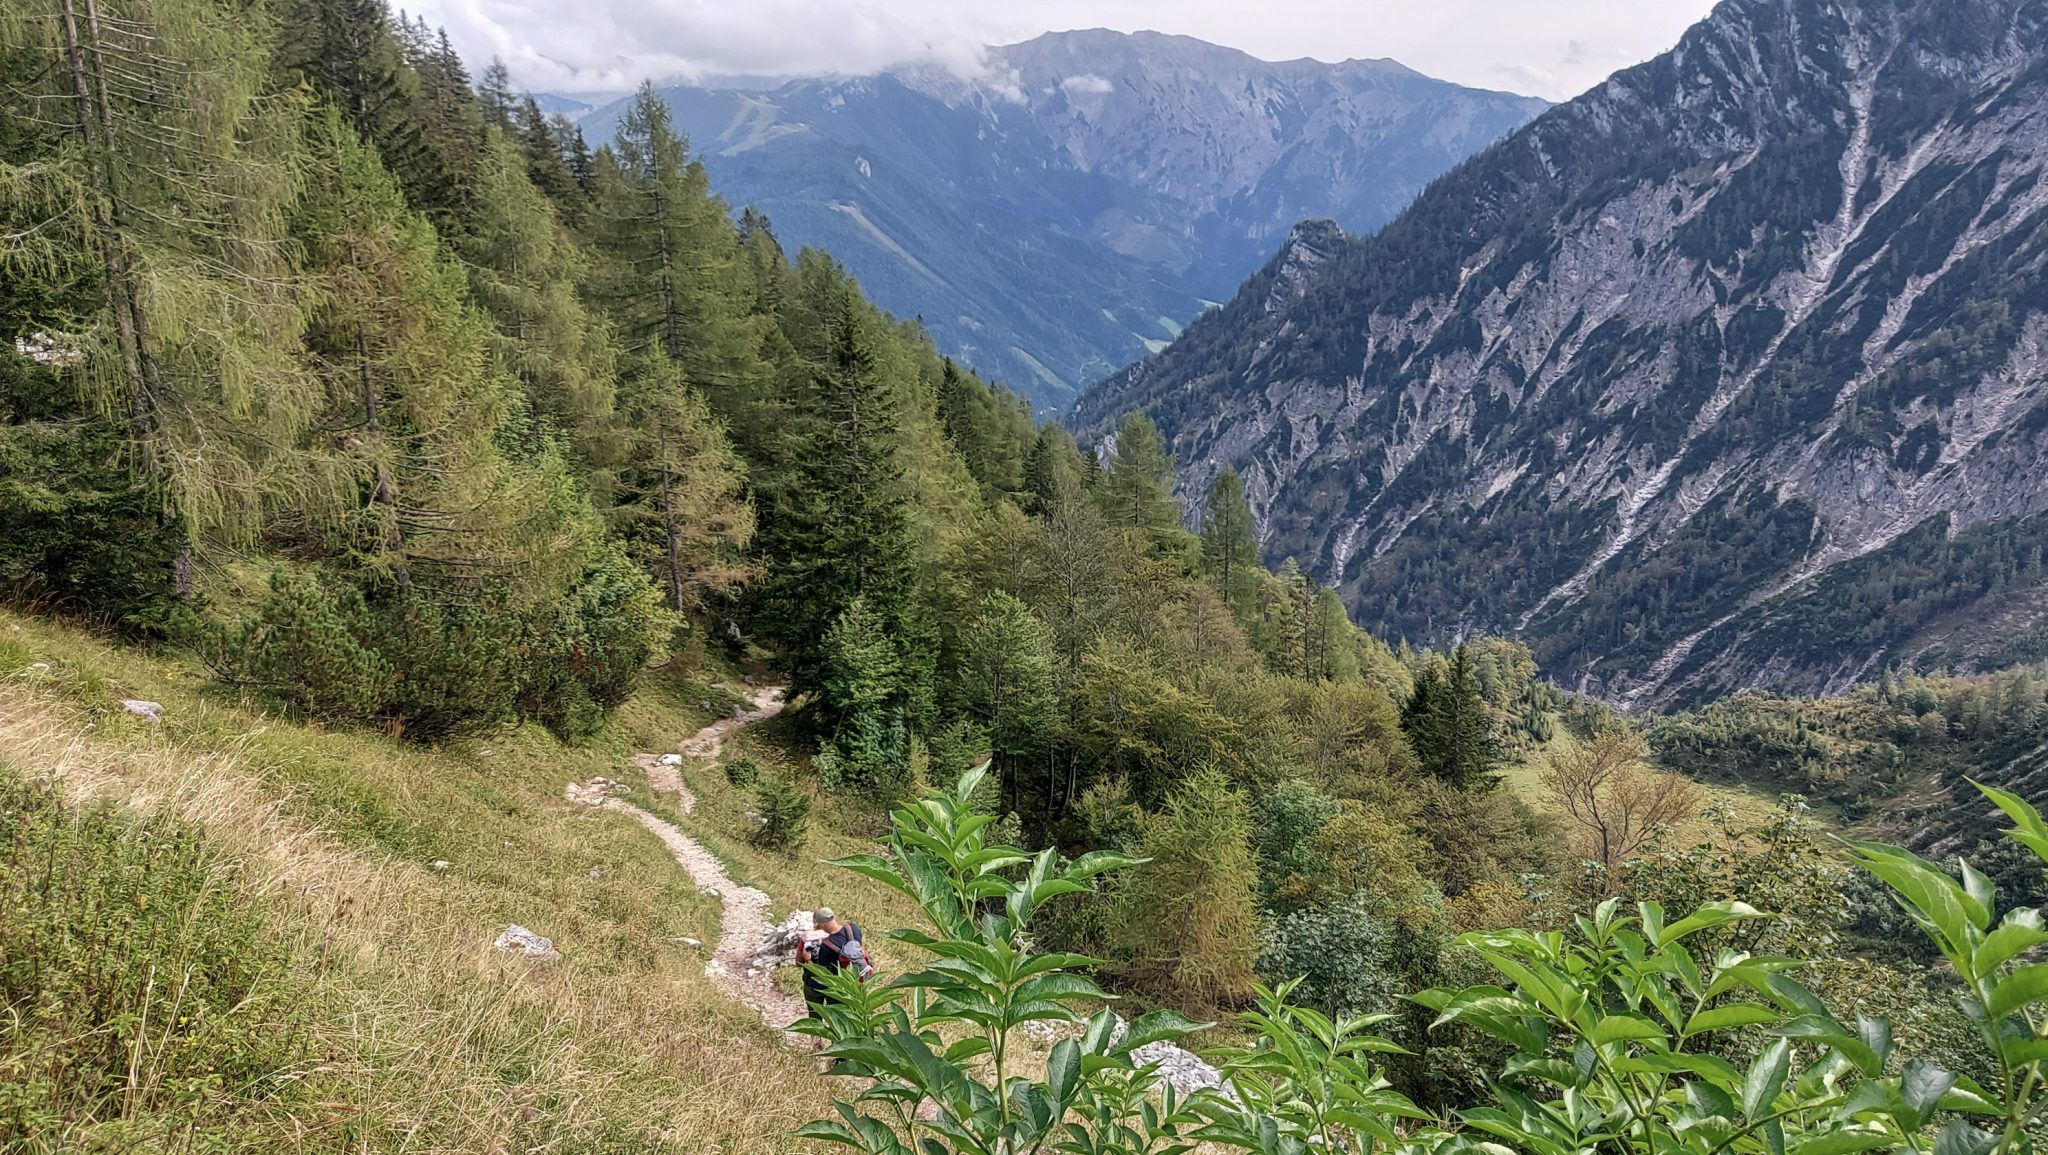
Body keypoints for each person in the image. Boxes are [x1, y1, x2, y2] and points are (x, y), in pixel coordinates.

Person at [796, 906, 872, 1017]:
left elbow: (820, 972)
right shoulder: (853, 929)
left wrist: (807, 959)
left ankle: (816, 1034)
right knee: (840, 1017)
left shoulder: (827, 945)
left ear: (821, 924)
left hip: (831, 985)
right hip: (850, 983)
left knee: (815, 1016)